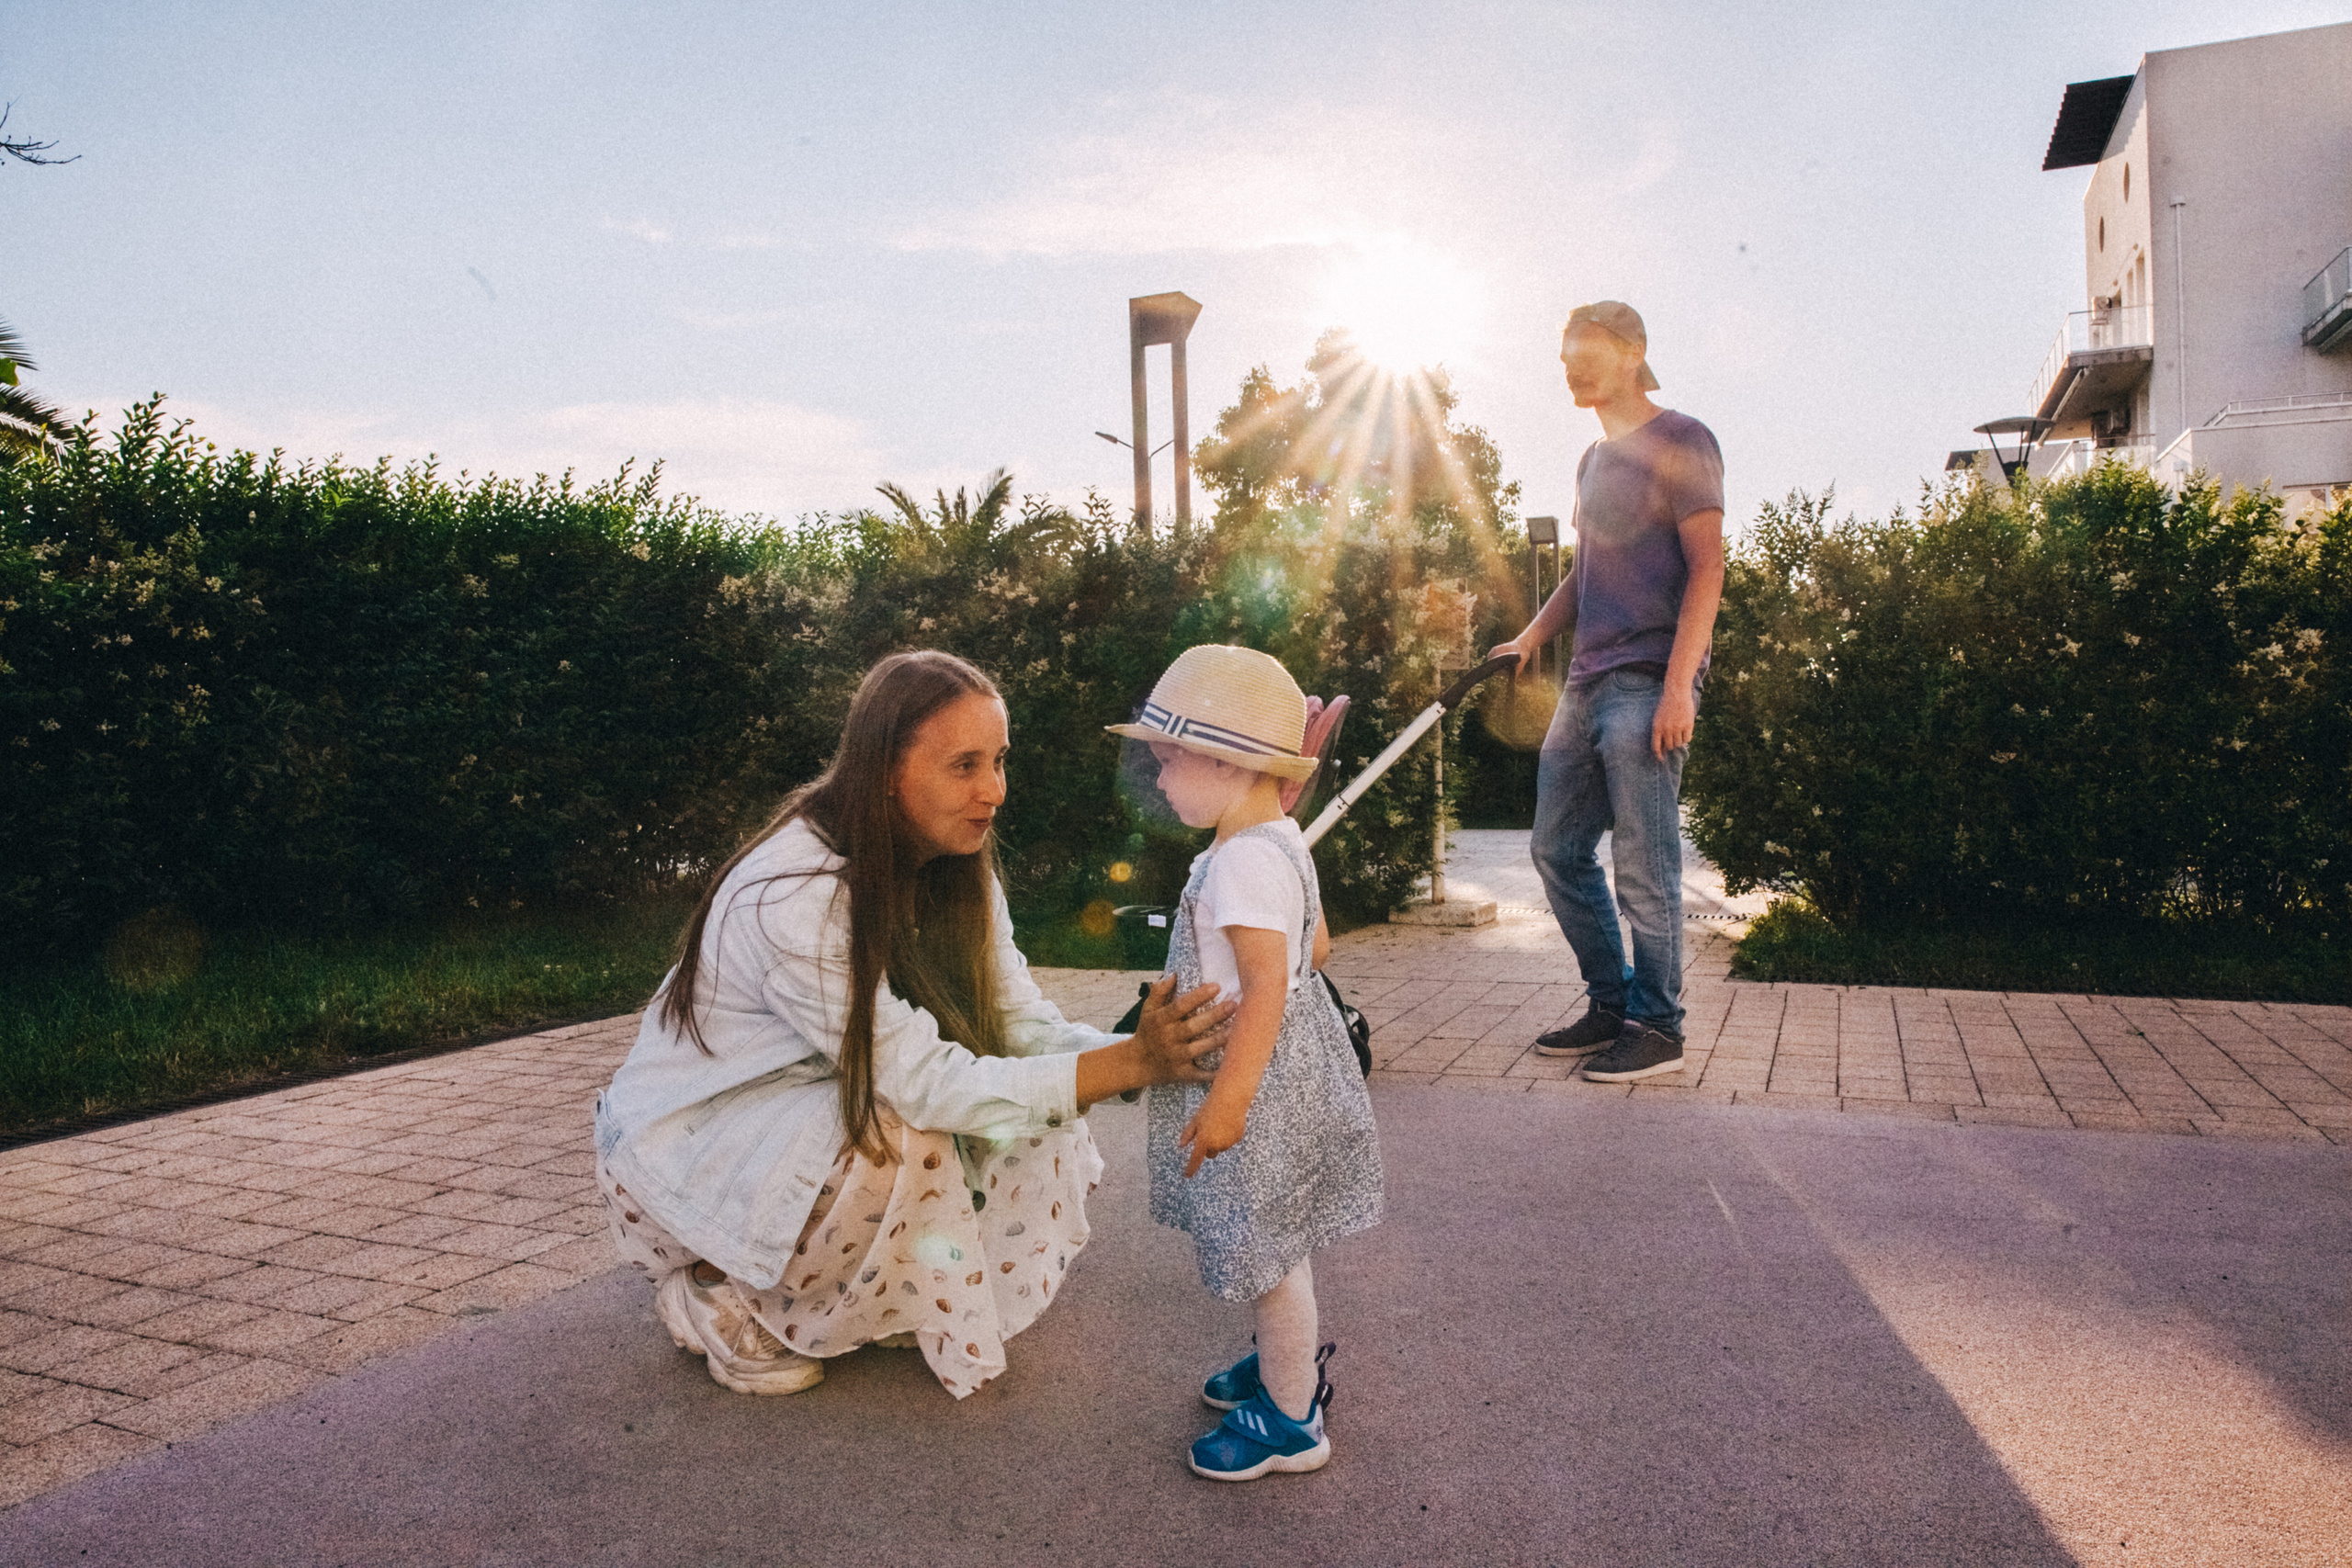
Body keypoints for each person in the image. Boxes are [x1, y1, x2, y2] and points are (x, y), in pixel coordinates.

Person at [594, 650, 1236, 1400]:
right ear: (885, 770)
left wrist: (1146, 1052)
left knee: (1033, 1107)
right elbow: (923, 1083)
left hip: (802, 1105)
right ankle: (718, 1290)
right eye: (964, 765)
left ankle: (861, 1293)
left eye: (998, 761)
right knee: (905, 1131)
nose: (993, 790)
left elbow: (1018, 1022)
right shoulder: (792, 896)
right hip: (691, 1144)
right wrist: (1130, 1065)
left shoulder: (957, 862)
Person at [1105, 644, 1384, 1482]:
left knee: (1271, 1257)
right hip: (1285, 1078)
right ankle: (1279, 1363)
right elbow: (1316, 946)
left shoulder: (1242, 859)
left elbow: (1267, 986)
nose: (1157, 780)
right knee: (1275, 1247)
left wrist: (1230, 1101)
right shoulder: (1276, 841)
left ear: (1225, 761)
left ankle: (1292, 1418)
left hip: (1257, 1086)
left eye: (1166, 761)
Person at [1490, 301, 1725, 1084]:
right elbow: (1584, 572)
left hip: (1648, 679)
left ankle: (1658, 1026)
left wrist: (1681, 684)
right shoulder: (1592, 462)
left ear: (1633, 353)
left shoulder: (1682, 439)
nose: (1571, 368)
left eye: (1586, 352)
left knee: (1644, 863)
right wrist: (1530, 636)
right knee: (1555, 848)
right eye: (1563, 357)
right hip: (1586, 683)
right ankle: (1610, 1002)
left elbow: (1708, 568)